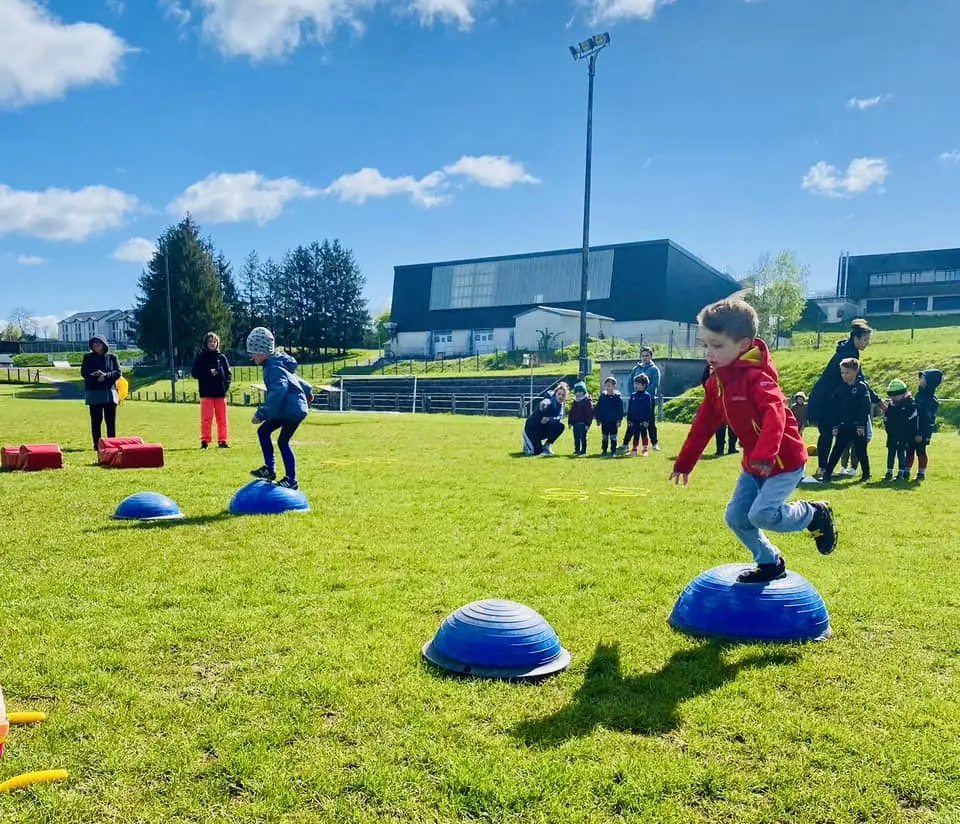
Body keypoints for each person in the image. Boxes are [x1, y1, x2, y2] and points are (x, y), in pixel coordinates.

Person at [671, 298, 837, 583]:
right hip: (753, 464)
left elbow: (776, 415)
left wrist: (766, 453)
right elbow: (703, 424)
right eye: (705, 345)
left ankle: (814, 514)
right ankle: (770, 562)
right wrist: (685, 463)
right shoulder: (716, 383)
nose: (709, 353)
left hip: (784, 462)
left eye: (718, 345)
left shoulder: (759, 379)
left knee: (761, 514)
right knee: (736, 517)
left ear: (744, 345)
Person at [806, 319, 881, 481]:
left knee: (828, 436)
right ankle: (822, 469)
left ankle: (824, 468)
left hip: (831, 400)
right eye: (865, 340)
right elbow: (861, 382)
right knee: (826, 435)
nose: (867, 343)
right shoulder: (848, 354)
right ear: (856, 338)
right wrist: (878, 401)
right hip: (825, 400)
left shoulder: (850, 351)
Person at [246, 327, 313, 490]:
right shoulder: (276, 363)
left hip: (292, 411)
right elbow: (294, 379)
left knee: (283, 441)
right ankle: (270, 469)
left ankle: (291, 479)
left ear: (262, 351)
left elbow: (279, 390)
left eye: (253, 352)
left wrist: (262, 413)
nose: (251, 356)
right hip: (286, 408)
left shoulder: (273, 368)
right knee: (263, 432)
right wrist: (308, 390)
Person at [822, 358, 872, 483]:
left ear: (856, 371)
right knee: (837, 450)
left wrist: (861, 424)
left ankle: (866, 474)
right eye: (842, 372)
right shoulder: (840, 389)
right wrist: (835, 425)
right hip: (844, 426)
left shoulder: (861, 387)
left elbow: (865, 408)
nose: (844, 375)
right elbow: (835, 409)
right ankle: (827, 474)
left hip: (857, 427)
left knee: (861, 451)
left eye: (847, 372)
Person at [191, 332, 232, 449]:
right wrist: (208, 373)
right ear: (206, 343)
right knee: (206, 419)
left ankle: (222, 440)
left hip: (220, 393)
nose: (212, 344)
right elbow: (194, 373)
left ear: (217, 343)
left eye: (214, 341)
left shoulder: (222, 357)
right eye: (210, 341)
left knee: (222, 419)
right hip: (206, 393)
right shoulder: (201, 357)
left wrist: (226, 387)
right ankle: (205, 441)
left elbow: (228, 374)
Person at [80, 335, 122, 450]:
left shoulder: (112, 357)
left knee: (110, 421)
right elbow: (84, 373)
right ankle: (96, 444)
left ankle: (112, 443)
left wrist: (106, 376)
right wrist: (95, 377)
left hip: (109, 393)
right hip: (94, 393)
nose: (95, 346)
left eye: (97, 343)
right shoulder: (87, 357)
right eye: (93, 344)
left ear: (103, 344)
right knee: (96, 420)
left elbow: (118, 372)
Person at [908, 369, 943, 481]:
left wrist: (921, 433)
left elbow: (928, 419)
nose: (920, 380)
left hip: (922, 431)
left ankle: (921, 473)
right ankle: (906, 471)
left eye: (923, 378)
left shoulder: (931, 401)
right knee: (909, 450)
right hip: (913, 428)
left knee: (921, 451)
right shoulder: (919, 394)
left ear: (929, 382)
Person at [882, 379, 918, 481]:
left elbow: (908, 419)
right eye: (891, 395)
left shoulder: (909, 405)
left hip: (903, 435)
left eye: (895, 395)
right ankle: (889, 471)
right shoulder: (891, 405)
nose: (892, 398)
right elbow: (888, 418)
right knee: (891, 453)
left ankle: (901, 472)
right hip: (892, 435)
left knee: (901, 454)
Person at [700, 362, 738, 456]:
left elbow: (704, 380)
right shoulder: (730, 364)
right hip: (724, 399)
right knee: (729, 425)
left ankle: (724, 449)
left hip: (724, 399)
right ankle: (728, 448)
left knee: (726, 425)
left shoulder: (713, 364)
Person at [523, 382, 569, 457]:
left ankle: (547, 446)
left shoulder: (560, 406)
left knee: (560, 426)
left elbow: (557, 419)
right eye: (559, 394)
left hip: (542, 429)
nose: (560, 396)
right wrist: (543, 405)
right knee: (536, 452)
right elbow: (545, 402)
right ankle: (527, 443)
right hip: (531, 429)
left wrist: (549, 419)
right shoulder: (549, 401)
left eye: (563, 395)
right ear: (555, 394)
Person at [630, 348, 661, 451]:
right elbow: (630, 382)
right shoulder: (636, 369)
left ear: (651, 357)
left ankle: (655, 443)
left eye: (647, 355)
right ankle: (627, 444)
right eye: (643, 355)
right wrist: (633, 394)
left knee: (650, 422)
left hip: (648, 400)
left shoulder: (654, 369)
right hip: (636, 400)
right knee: (633, 422)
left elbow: (654, 384)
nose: (644, 357)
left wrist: (644, 393)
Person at [624, 374, 654, 456]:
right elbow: (630, 409)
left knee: (644, 434)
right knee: (635, 434)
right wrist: (629, 419)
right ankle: (634, 449)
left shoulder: (647, 396)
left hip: (642, 419)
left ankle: (645, 449)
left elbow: (648, 409)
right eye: (635, 384)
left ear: (644, 385)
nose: (635, 386)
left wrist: (646, 420)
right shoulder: (633, 395)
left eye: (638, 384)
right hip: (634, 419)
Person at [593, 376, 624, 457]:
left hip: (613, 422)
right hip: (605, 421)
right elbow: (598, 408)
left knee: (613, 437)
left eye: (609, 386)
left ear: (614, 386)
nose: (607, 387)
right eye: (606, 385)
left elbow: (620, 410)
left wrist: (619, 420)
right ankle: (604, 450)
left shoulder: (617, 398)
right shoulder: (602, 397)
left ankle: (613, 451)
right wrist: (598, 419)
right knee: (605, 437)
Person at [567, 381, 593, 457]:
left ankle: (583, 450)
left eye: (580, 391)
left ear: (584, 392)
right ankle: (577, 449)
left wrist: (588, 424)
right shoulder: (575, 401)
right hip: (575, 423)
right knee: (576, 437)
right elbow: (571, 412)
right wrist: (570, 422)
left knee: (583, 437)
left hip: (583, 423)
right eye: (577, 392)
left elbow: (589, 414)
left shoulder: (587, 401)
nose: (578, 393)